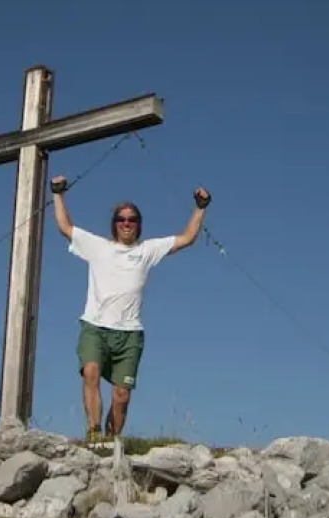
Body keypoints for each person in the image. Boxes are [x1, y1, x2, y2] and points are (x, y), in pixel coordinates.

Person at [50, 174, 211, 445]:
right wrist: (57, 192)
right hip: (95, 326)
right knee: (90, 371)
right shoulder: (98, 247)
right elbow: (65, 226)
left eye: (132, 219)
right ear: (114, 225)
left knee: (121, 394)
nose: (126, 223)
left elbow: (187, 238)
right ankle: (93, 433)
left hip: (130, 333)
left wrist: (200, 207)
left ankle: (112, 441)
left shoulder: (147, 251)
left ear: (138, 225)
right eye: (121, 219)